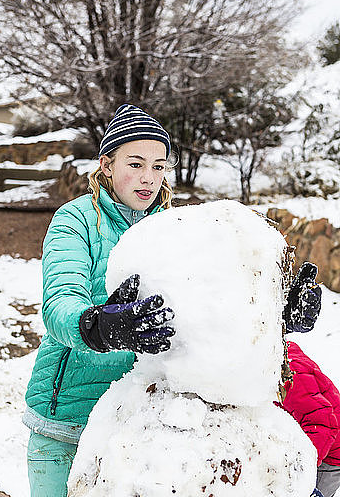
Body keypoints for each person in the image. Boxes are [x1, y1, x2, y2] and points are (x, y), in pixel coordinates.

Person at [23, 103, 323, 497]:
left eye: (159, 166)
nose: (149, 177)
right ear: (107, 164)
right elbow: (60, 303)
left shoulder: (174, 229)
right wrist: (98, 326)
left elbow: (211, 311)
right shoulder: (76, 220)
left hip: (137, 428)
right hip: (68, 425)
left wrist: (275, 314)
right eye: (135, 163)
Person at [281, 341, 340, 497]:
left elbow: (322, 425)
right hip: (324, 441)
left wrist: (304, 471)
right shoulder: (284, 358)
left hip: (331, 454)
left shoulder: (290, 377)